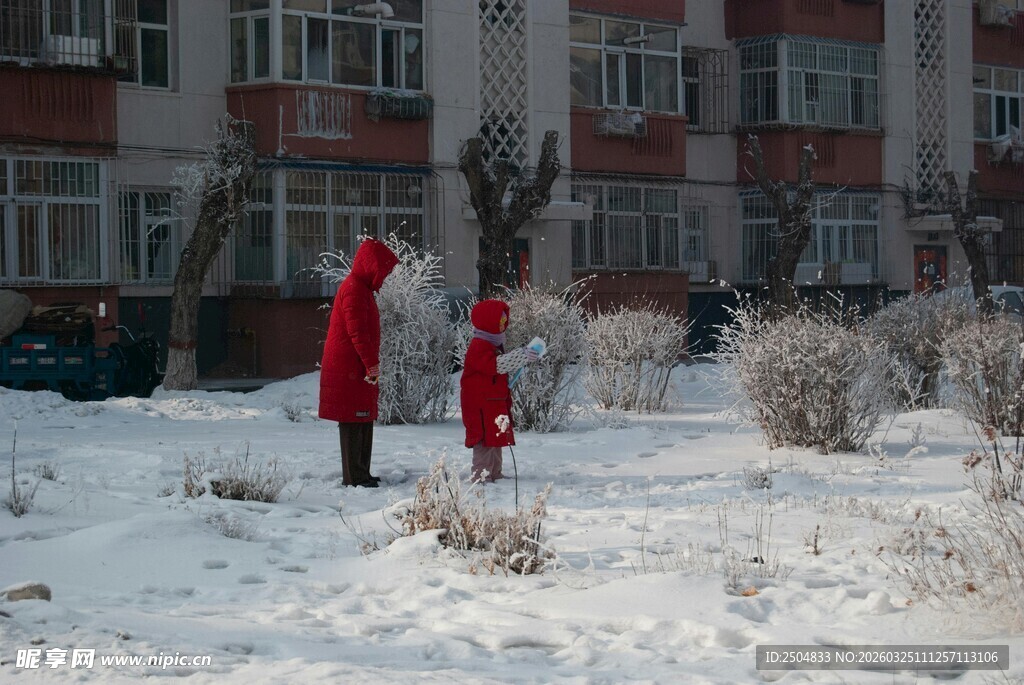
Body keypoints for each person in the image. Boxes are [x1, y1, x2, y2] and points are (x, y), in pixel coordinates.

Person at [319, 238, 399, 488]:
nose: (384, 277)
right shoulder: (354, 289)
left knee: (363, 419)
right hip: (350, 369)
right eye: (383, 271)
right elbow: (358, 333)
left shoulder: (362, 289)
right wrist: (370, 364)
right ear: (371, 266)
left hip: (358, 368)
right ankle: (354, 476)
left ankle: (362, 472)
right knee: (354, 421)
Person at [460, 299, 540, 483]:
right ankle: (481, 476)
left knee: (495, 439)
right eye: (500, 320)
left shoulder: (494, 343)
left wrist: (522, 357)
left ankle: (495, 472)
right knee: (483, 441)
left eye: (505, 320)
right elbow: (495, 365)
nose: (504, 324)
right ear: (489, 322)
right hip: (480, 404)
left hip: (493, 402)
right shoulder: (479, 346)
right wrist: (521, 355)